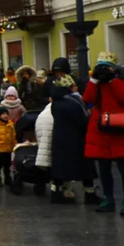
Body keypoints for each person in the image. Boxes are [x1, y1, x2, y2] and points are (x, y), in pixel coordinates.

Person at [38, 76, 97, 204]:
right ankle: (90, 194)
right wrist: (90, 117)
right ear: (68, 87)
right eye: (74, 85)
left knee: (61, 169)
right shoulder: (72, 102)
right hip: (75, 140)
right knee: (85, 169)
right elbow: (81, 120)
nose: (76, 87)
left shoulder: (57, 102)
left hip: (61, 140)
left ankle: (56, 192)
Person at [82, 51, 124, 215]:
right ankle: (108, 198)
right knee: (103, 167)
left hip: (120, 127)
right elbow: (88, 98)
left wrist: (114, 80)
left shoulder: (122, 81)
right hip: (101, 128)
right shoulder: (97, 83)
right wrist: (94, 80)